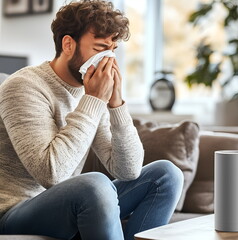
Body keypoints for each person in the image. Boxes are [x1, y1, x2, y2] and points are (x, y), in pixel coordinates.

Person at [0, 1, 183, 240]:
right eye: (99, 49)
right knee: (95, 184)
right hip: (14, 211)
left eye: (113, 50)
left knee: (167, 175)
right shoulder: (23, 87)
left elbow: (128, 170)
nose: (109, 60)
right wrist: (94, 100)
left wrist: (116, 104)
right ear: (68, 44)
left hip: (66, 205)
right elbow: (51, 173)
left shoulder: (90, 91)